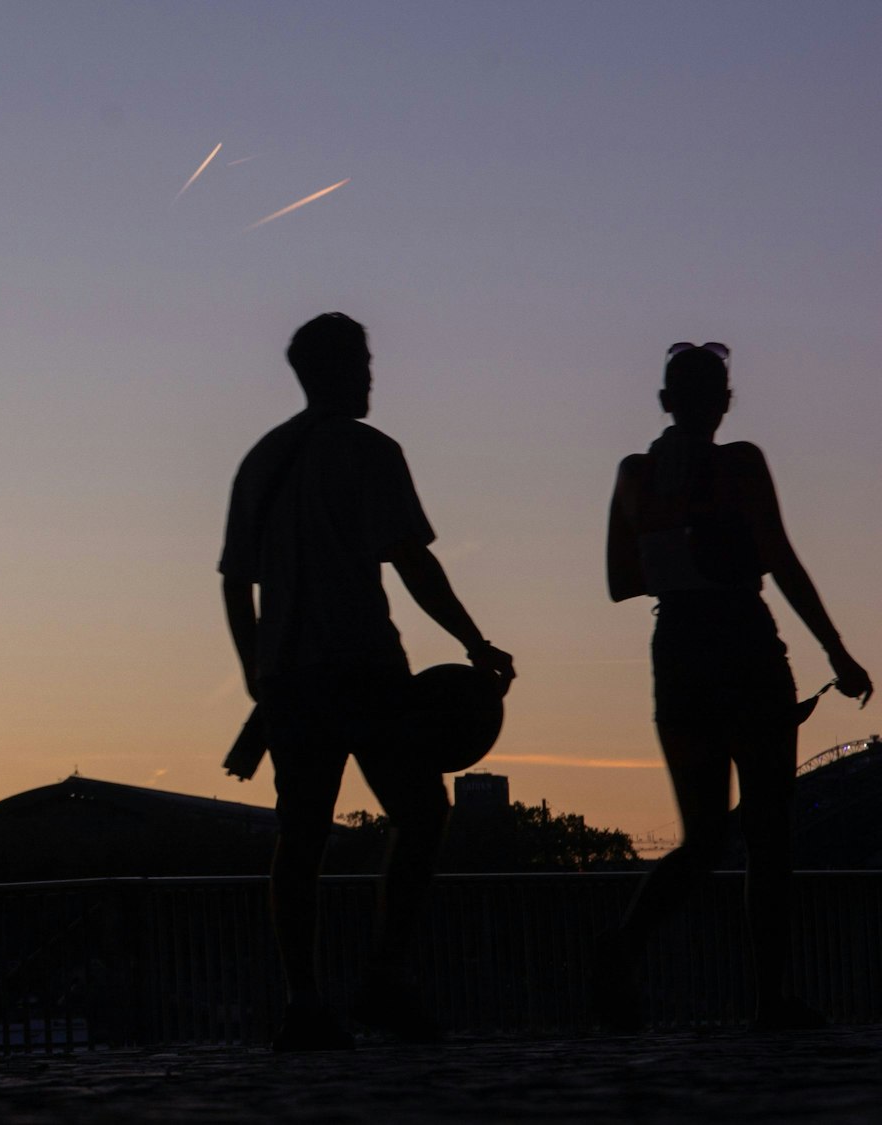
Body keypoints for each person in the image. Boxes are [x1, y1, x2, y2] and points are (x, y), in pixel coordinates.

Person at [220, 312, 515, 1051]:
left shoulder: (262, 459)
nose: (373, 373)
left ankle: (303, 999)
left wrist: (259, 674)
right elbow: (413, 563)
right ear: (343, 369)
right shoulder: (370, 451)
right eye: (365, 360)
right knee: (421, 812)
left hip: (292, 682)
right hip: (367, 668)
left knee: (302, 836)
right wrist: (474, 642)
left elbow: (236, 583)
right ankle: (384, 976)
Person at [596, 341, 871, 1031]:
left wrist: (674, 543)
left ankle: (619, 955)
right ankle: (770, 998)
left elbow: (621, 583)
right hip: (745, 646)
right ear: (724, 401)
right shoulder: (740, 463)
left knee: (701, 839)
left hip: (679, 651)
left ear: (664, 400)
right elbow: (779, 558)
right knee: (770, 834)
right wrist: (837, 651)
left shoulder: (636, 473)